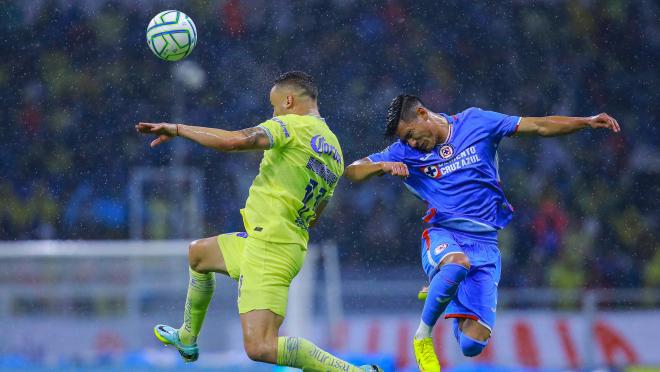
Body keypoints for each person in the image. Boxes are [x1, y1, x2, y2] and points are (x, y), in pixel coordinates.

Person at [344, 94, 620, 371]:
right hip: (443, 234)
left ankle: (447, 289)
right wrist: (382, 166)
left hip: (486, 244)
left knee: (472, 345)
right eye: (405, 141)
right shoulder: (404, 152)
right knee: (457, 265)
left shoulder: (476, 122)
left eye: (411, 135)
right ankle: (423, 336)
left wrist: (585, 122)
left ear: (422, 113)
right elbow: (352, 171)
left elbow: (539, 126)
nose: (411, 144)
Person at [136, 71, 382, 372]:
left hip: (269, 245)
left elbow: (236, 141)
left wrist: (178, 129)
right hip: (278, 240)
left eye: (275, 106)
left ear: (289, 101)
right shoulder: (334, 150)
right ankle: (188, 337)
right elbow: (316, 214)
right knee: (199, 254)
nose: (273, 113)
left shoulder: (291, 124)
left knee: (261, 346)